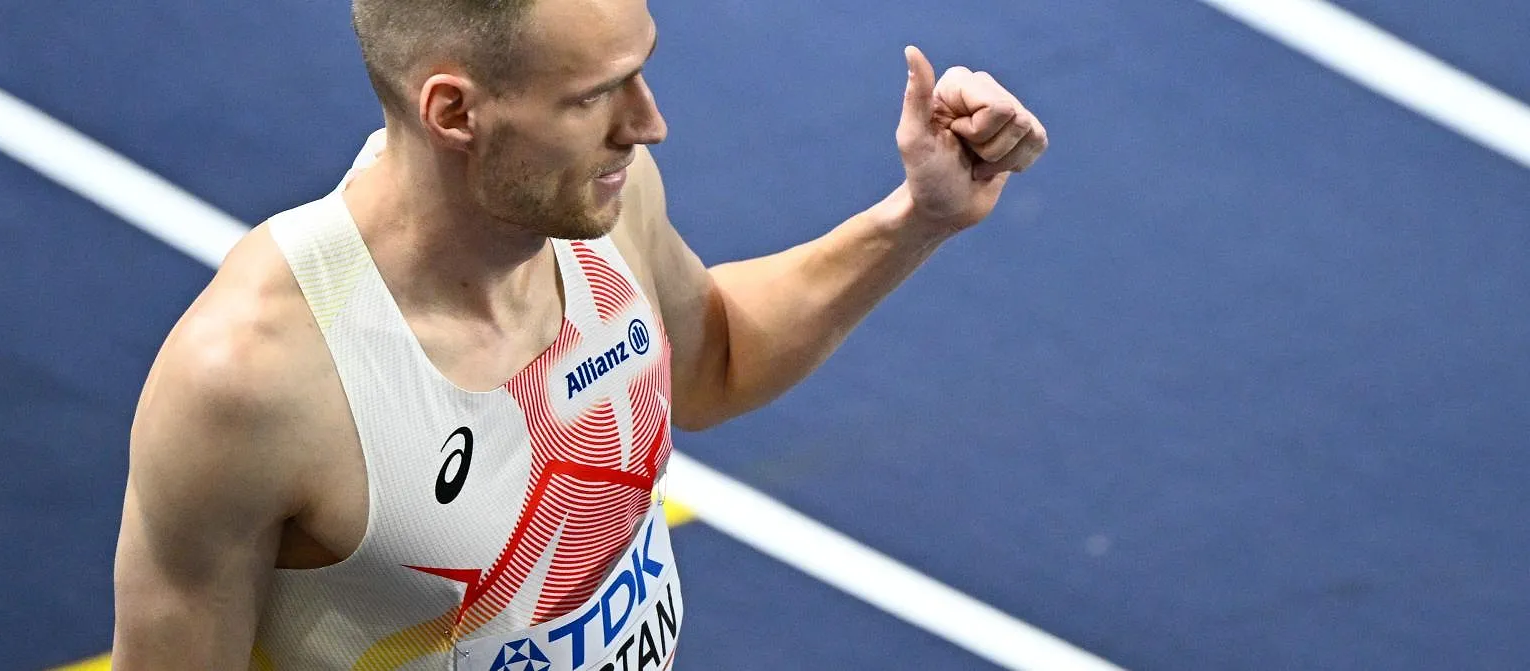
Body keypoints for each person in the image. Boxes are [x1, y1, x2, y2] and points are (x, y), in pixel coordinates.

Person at [109, 0, 1047, 668]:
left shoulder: (602, 202)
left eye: (642, 71)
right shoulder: (255, 380)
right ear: (455, 112)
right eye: (597, 95)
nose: (648, 124)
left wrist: (917, 217)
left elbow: (711, 360)